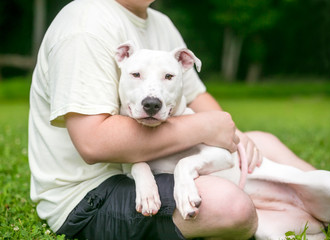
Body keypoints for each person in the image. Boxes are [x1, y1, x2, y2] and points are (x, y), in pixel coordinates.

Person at [28, 0, 315, 239]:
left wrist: (233, 133)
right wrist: (204, 126)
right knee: (230, 205)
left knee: (262, 143)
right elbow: (94, 143)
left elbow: (195, 96)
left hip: (153, 163)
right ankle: (293, 214)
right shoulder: (85, 25)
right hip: (90, 195)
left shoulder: (160, 23)